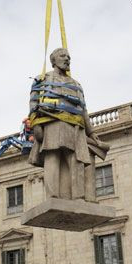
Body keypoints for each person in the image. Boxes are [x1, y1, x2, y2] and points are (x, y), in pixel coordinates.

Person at [28, 48, 108, 201]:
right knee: (52, 158)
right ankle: (53, 196)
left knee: (76, 160)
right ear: (53, 61)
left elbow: (83, 109)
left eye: (68, 57)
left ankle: (79, 196)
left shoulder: (76, 84)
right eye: (62, 56)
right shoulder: (42, 79)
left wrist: (90, 132)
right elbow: (33, 103)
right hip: (52, 123)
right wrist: (36, 125)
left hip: (75, 127)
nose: (67, 59)